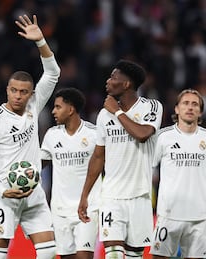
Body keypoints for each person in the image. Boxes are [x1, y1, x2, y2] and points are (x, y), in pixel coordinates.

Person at [0, 14, 61, 258]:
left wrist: (40, 41)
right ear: (7, 90)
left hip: (33, 192)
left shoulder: (35, 105)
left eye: (23, 92)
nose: (18, 96)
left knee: (48, 251)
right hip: (4, 195)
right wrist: (4, 189)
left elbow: (53, 73)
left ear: (31, 93)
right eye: (13, 90)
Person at [78, 59, 163, 259]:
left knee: (135, 255)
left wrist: (116, 112)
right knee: (113, 254)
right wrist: (85, 195)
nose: (108, 81)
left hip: (140, 196)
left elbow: (142, 133)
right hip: (111, 197)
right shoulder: (103, 115)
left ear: (126, 84)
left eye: (113, 77)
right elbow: (98, 156)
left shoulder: (151, 107)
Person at [40, 87, 102, 259]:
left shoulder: (93, 134)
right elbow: (40, 164)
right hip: (60, 209)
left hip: (88, 207)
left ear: (71, 109)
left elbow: (104, 163)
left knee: (83, 256)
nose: (53, 111)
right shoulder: (52, 135)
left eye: (58, 107)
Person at [150, 89, 206, 258]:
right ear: (176, 109)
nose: (190, 107)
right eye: (185, 103)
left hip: (200, 216)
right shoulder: (163, 137)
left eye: (195, 104)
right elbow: (148, 170)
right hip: (169, 214)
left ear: (200, 112)